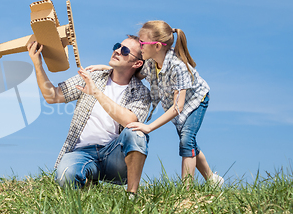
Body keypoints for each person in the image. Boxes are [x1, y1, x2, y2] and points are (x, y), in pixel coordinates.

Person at [88, 21, 223, 186]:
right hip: (177, 106)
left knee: (186, 140)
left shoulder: (178, 67)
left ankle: (187, 191)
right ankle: (212, 179)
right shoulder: (151, 62)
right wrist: (106, 69)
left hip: (195, 102)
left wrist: (149, 127)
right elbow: (133, 72)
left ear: (158, 46)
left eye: (143, 43)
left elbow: (177, 107)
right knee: (189, 142)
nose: (140, 46)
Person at [27, 35, 151, 195]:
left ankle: (131, 195)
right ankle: (88, 182)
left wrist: (96, 93)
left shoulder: (141, 93)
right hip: (82, 152)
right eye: (118, 46)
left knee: (137, 133)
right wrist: (38, 64)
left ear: (137, 63)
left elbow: (130, 121)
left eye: (125, 50)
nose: (117, 51)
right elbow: (52, 96)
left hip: (114, 155)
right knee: (67, 176)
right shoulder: (92, 77)